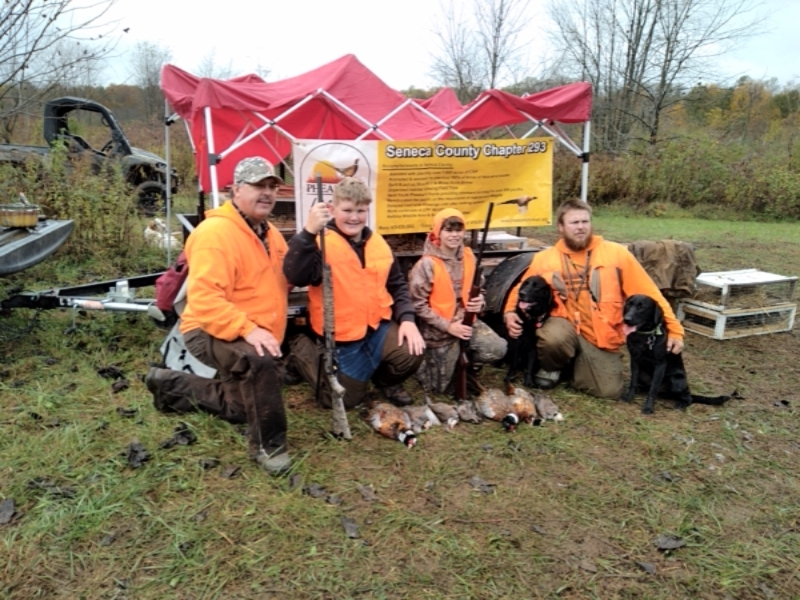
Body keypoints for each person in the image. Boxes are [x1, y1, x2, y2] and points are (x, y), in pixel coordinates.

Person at [145, 156, 293, 476]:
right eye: (258, 185)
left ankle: (169, 386)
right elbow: (206, 300)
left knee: (241, 408)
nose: (267, 193)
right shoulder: (216, 234)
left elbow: (285, 278)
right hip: (207, 329)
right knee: (258, 360)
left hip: (248, 328)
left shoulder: (270, 234)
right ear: (235, 190)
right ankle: (269, 446)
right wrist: (249, 329)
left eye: (272, 187)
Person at [503, 198, 684, 399]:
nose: (580, 227)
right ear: (561, 227)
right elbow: (522, 287)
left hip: (600, 336)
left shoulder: (616, 254)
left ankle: (577, 365)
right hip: (564, 327)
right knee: (552, 338)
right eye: (574, 223)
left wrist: (675, 330)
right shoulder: (545, 258)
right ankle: (552, 366)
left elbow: (650, 293)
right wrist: (509, 312)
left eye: (585, 222)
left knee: (609, 391)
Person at [283, 177, 425, 409]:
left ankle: (384, 382)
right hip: (342, 338)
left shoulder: (378, 243)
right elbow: (296, 276)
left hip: (377, 328)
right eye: (347, 210)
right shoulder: (320, 243)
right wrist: (308, 233)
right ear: (332, 209)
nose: (354, 217)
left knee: (412, 350)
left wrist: (408, 320)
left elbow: (397, 285)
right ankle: (300, 351)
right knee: (341, 401)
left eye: (361, 210)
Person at [408, 208, 507, 395]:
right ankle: (430, 363)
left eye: (458, 230)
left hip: (467, 322)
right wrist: (448, 327)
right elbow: (416, 304)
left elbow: (480, 289)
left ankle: (469, 365)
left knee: (497, 348)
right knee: (439, 389)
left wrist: (480, 303)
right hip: (437, 332)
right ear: (438, 232)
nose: (454, 235)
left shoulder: (469, 256)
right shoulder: (426, 265)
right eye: (448, 230)